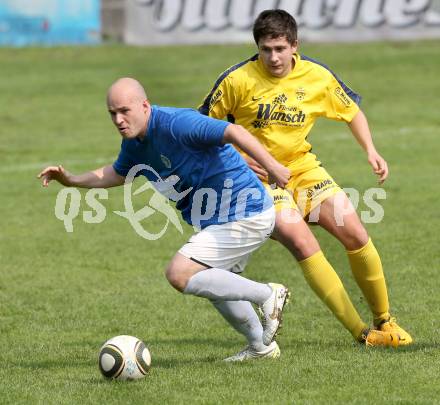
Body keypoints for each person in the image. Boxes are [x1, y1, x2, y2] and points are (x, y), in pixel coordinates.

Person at [38, 77, 297, 362]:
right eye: (112, 113)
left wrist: (272, 166)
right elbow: (118, 172)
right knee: (217, 283)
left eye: (125, 110)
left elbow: (233, 131)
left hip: (246, 212)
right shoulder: (135, 144)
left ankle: (267, 295)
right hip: (220, 219)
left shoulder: (177, 123)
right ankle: (261, 347)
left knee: (180, 273)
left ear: (145, 106)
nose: (118, 120)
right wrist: (72, 180)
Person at [199, 9, 412, 346]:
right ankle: (363, 334)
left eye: (280, 48)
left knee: (355, 233)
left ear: (294, 45)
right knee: (304, 243)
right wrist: (237, 161)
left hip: (302, 169)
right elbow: (202, 132)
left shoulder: (317, 76)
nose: (273, 57)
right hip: (257, 182)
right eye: (266, 49)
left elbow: (352, 112)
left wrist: (370, 150)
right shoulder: (236, 80)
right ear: (257, 47)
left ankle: (384, 319)